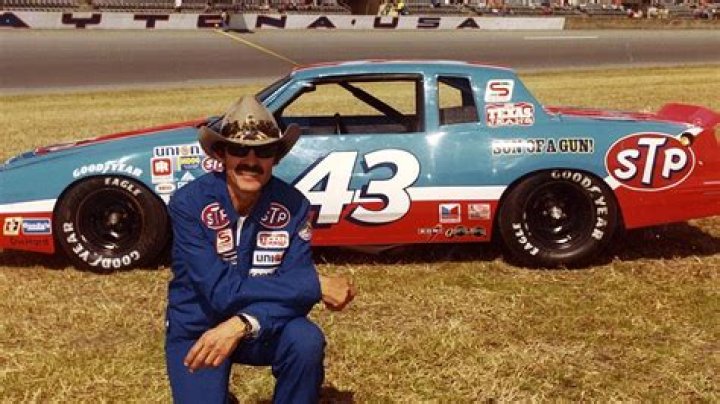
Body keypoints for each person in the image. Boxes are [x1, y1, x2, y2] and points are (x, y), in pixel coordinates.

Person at [165, 96, 356, 404]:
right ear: (221, 154)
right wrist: (315, 284)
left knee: (305, 339)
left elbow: (298, 296)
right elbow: (221, 292)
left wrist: (244, 323)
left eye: (264, 151)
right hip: (199, 327)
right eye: (239, 150)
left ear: (276, 158)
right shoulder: (189, 204)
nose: (251, 161)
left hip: (263, 323)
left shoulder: (294, 205)